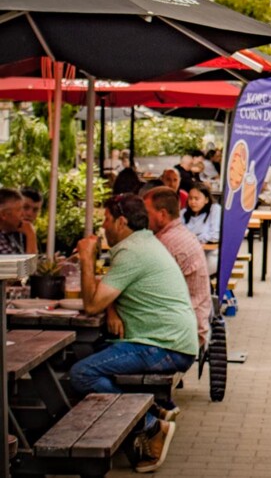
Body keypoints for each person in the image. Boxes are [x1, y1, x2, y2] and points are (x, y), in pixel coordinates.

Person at [70, 194, 198, 473]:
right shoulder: (142, 243)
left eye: (105, 219)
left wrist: (86, 260)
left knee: (82, 373)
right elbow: (111, 293)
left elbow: (92, 305)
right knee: (90, 354)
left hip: (164, 347)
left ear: (121, 221)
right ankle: (151, 413)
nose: (102, 226)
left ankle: (149, 427)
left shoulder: (132, 252)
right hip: (170, 340)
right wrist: (113, 310)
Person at [144, 187, 212, 349]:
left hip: (181, 335)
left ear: (162, 214)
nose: (143, 217)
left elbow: (147, 290)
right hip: (191, 324)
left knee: (86, 368)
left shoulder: (167, 243)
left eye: (147, 212)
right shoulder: (178, 234)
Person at [181, 183, 221, 275]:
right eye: (190, 198)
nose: (193, 202)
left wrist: (193, 238)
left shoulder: (214, 209)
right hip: (189, 254)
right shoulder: (183, 213)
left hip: (209, 253)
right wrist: (200, 238)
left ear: (206, 200)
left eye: (197, 198)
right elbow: (179, 236)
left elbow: (215, 236)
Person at [0, 189, 37, 254]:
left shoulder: (9, 234)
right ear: (3, 215)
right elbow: (29, 264)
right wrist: (30, 235)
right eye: (19, 210)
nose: (23, 214)